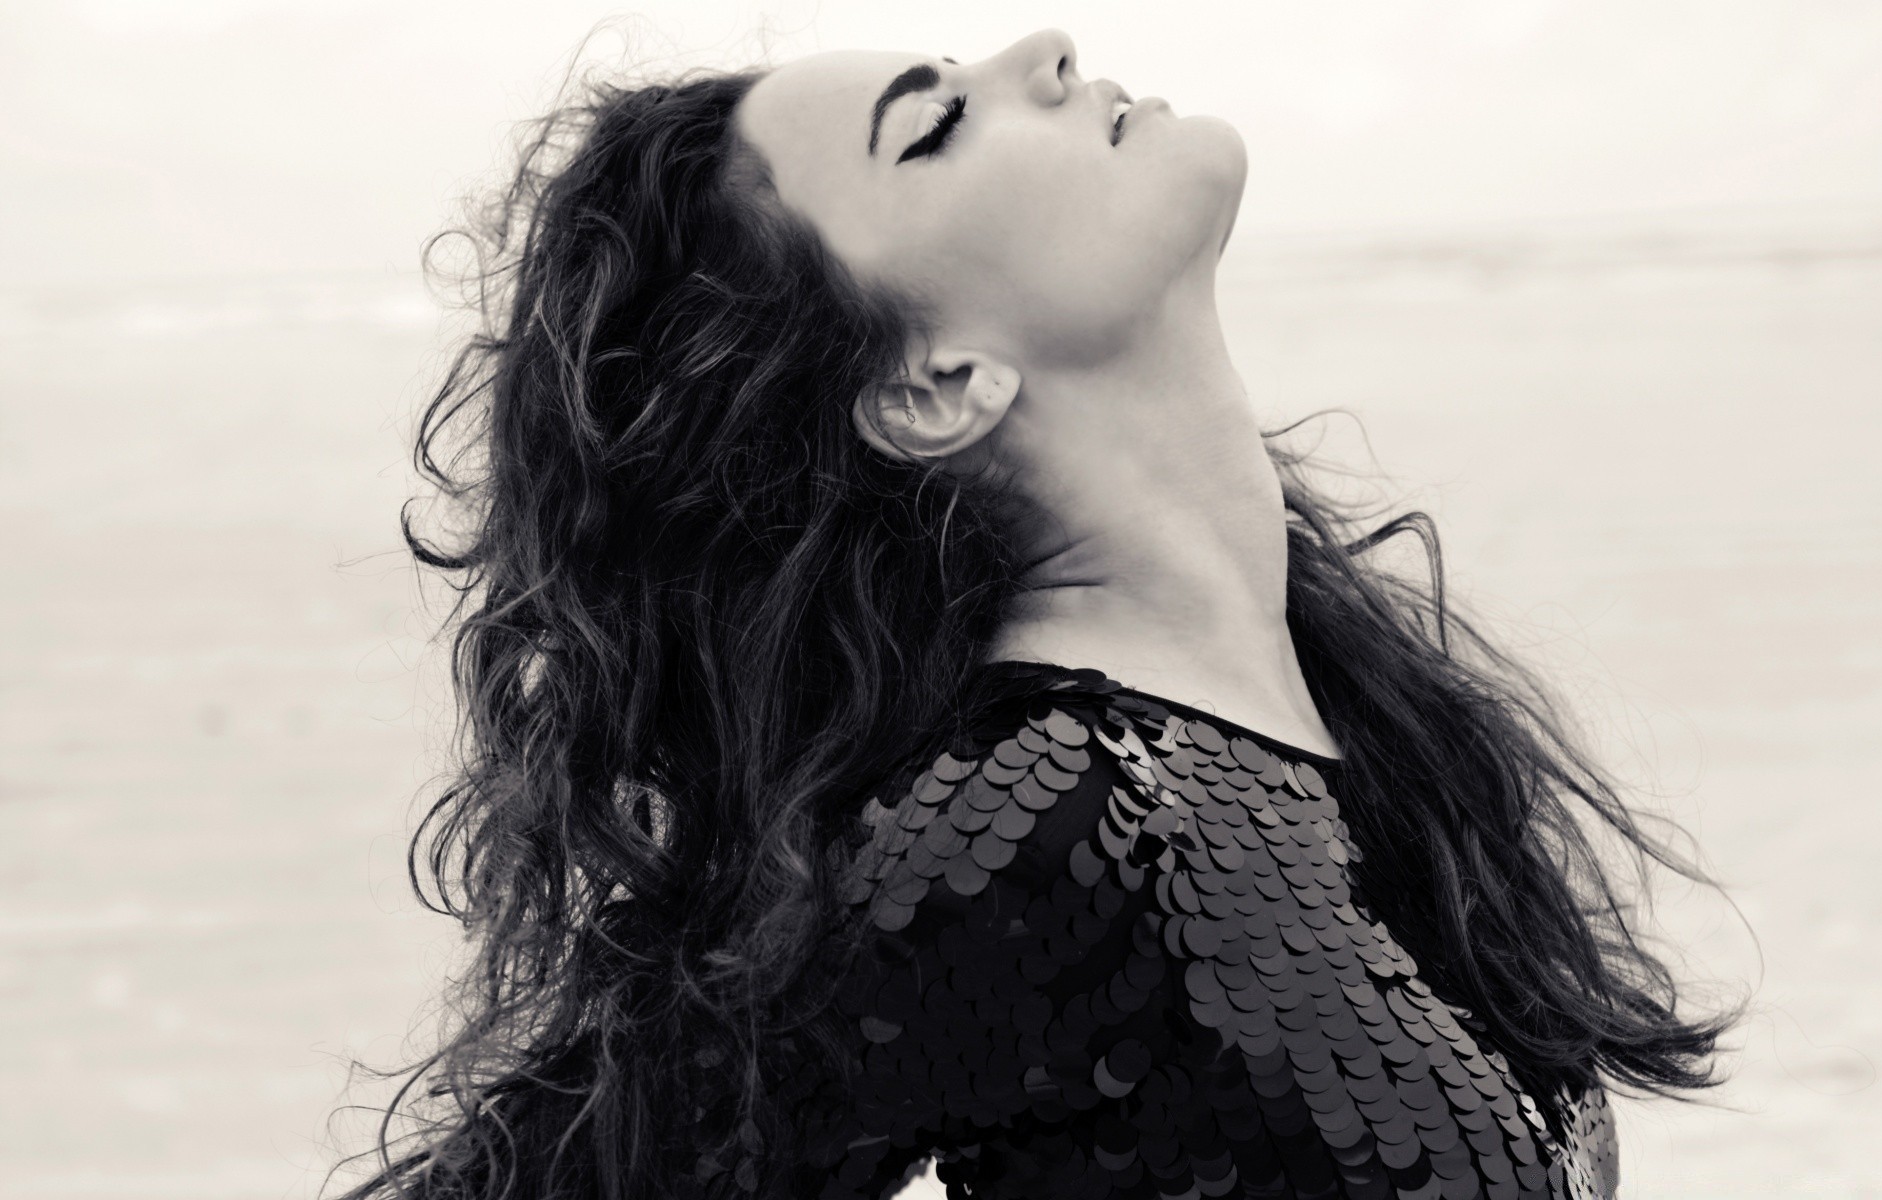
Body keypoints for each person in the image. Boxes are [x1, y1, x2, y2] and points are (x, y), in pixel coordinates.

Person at [336, 28, 1733, 1200]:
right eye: (937, 126)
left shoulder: (1352, 730)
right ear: (933, 385)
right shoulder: (1036, 817)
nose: (1047, 50)